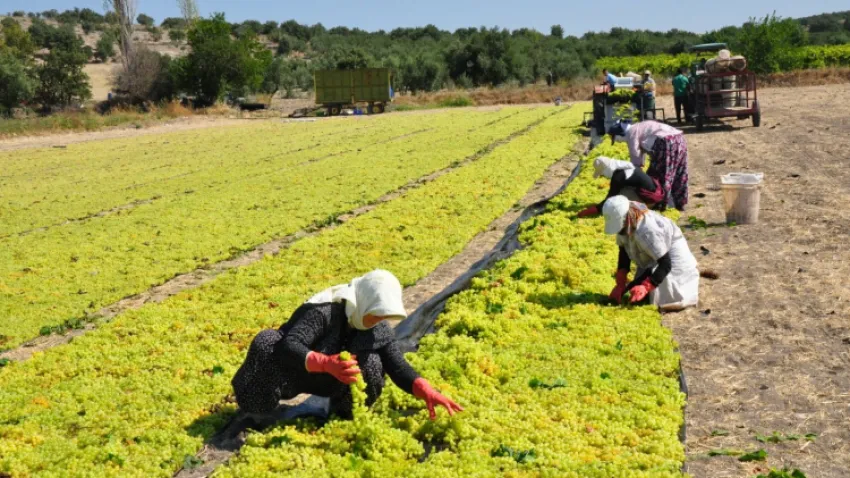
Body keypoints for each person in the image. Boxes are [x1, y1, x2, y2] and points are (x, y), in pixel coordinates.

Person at [231, 269, 463, 421]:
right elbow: (289, 345)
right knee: (267, 342)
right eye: (375, 313)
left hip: (332, 382)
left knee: (373, 363)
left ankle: (343, 414)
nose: (378, 320)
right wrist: (324, 362)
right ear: (362, 301)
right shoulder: (325, 311)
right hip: (291, 373)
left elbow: (397, 365)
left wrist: (426, 390)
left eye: (383, 315)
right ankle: (257, 409)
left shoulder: (377, 327)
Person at [602, 196, 699, 311]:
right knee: (637, 295)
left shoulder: (647, 231)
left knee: (667, 295)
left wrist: (646, 286)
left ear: (626, 218)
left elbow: (666, 263)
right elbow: (623, 252)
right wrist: (621, 282)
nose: (619, 231)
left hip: (671, 253)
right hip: (654, 255)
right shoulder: (624, 225)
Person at [609, 120, 689, 211]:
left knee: (659, 175)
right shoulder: (639, 127)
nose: (620, 142)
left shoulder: (631, 132)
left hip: (665, 142)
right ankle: (680, 203)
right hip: (679, 139)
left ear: (619, 134)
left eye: (616, 139)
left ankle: (660, 204)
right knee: (679, 171)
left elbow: (635, 155)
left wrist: (634, 176)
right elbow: (641, 153)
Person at [577, 156, 664, 217]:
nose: (603, 176)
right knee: (621, 192)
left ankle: (643, 210)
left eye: (602, 174)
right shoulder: (623, 167)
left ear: (606, 170)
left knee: (618, 198)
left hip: (651, 200)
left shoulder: (618, 176)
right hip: (656, 194)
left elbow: (609, 200)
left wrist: (588, 211)